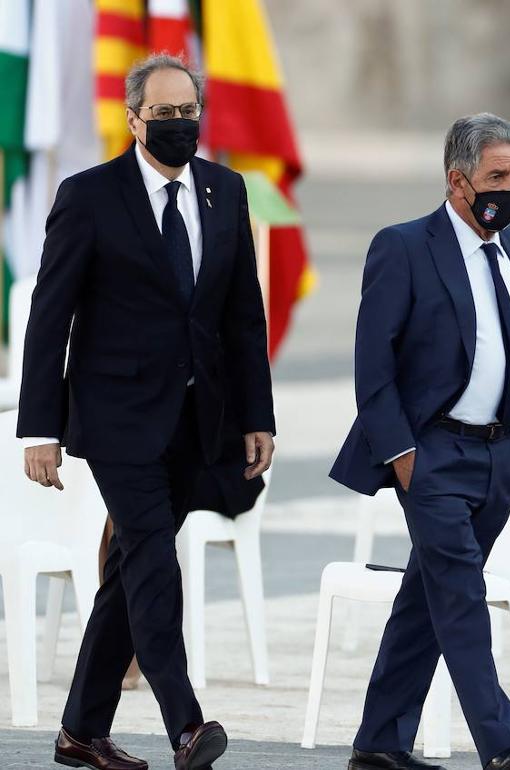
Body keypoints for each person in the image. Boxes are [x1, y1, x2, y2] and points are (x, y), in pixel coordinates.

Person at [16, 54, 275, 770]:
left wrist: (259, 415)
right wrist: (40, 428)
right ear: (133, 119)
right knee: (155, 560)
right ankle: (186, 724)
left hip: (198, 421)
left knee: (132, 568)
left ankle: (80, 731)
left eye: (187, 111)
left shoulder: (226, 190)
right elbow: (49, 317)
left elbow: (241, 317)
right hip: (116, 419)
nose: (177, 125)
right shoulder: (89, 195)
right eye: (162, 114)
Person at [330, 113, 510, 770]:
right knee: (460, 594)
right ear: (458, 181)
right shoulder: (403, 247)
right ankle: (502, 745)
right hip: (432, 456)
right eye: (496, 176)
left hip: (499, 456)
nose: (509, 188)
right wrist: (403, 458)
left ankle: (378, 744)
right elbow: (373, 366)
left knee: (427, 599)